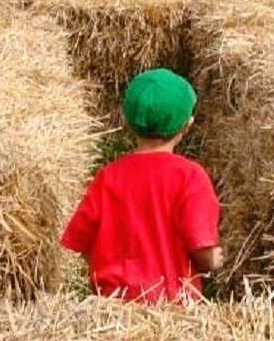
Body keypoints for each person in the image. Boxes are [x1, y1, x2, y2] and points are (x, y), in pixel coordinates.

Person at [61, 68, 223, 304]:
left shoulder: (108, 177)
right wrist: (212, 260)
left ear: (127, 120)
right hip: (174, 304)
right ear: (187, 126)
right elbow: (199, 244)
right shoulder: (191, 177)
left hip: (113, 305)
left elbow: (84, 242)